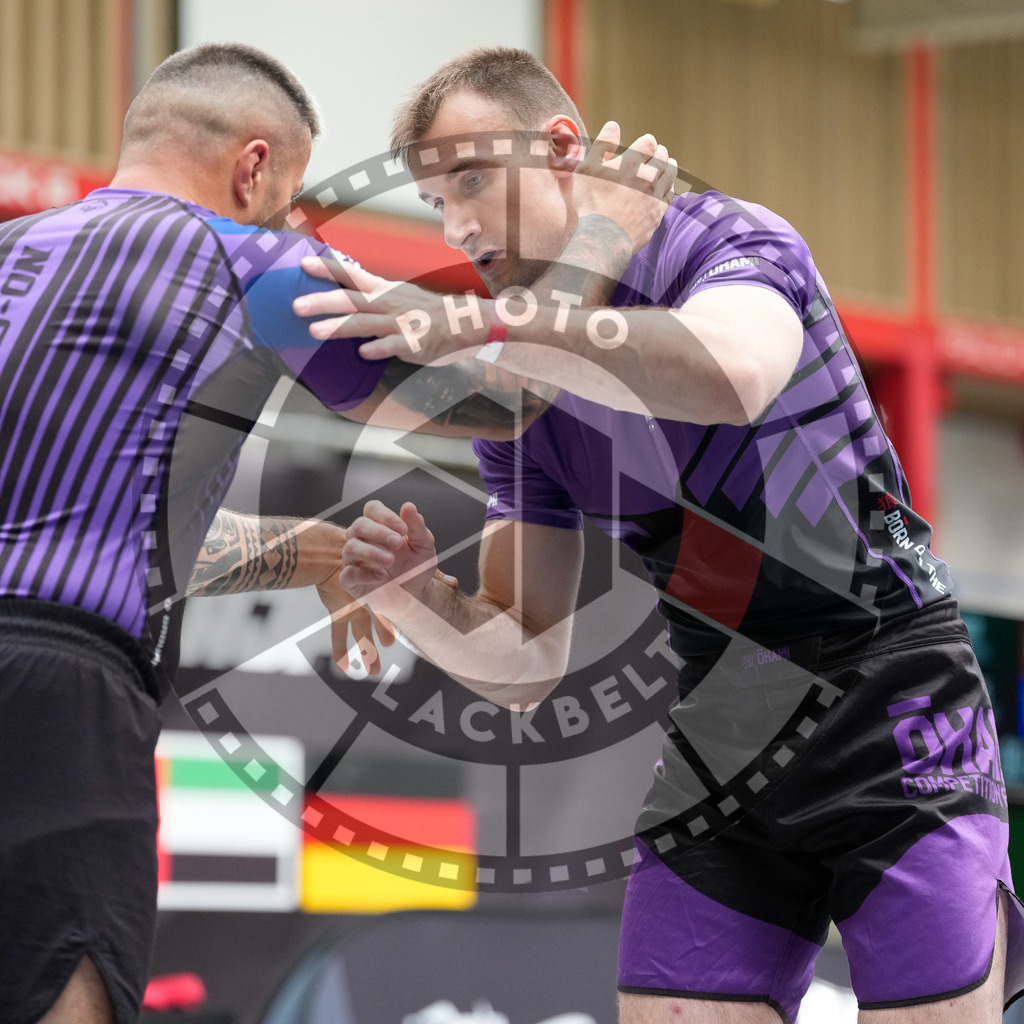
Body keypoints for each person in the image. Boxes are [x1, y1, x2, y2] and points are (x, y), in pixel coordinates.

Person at [296, 47, 1024, 1023]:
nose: (456, 224)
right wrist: (415, 599)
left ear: (562, 149)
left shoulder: (720, 239)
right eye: (435, 201)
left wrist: (480, 324)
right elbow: (524, 660)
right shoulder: (518, 398)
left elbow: (733, 374)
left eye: (471, 179)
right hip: (722, 722)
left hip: (891, 693)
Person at [0, 40, 623, 1024]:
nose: (292, 221)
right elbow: (511, 398)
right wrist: (599, 237)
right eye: (289, 198)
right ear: (252, 168)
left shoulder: (14, 254)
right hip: (60, 704)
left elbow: (92, 526)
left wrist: (321, 553)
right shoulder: (255, 260)